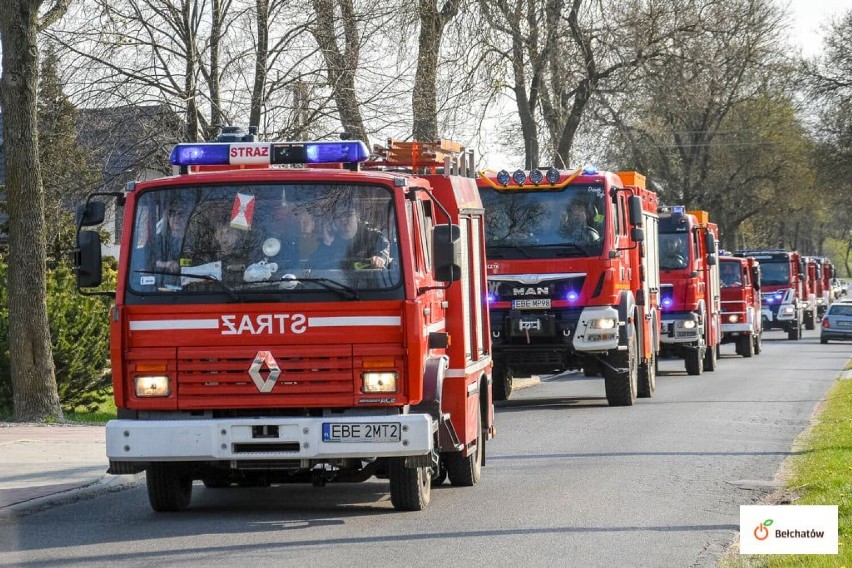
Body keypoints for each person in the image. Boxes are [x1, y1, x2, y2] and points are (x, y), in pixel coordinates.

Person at [310, 206, 390, 269]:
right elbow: (314, 264)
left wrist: (380, 258)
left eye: (348, 214)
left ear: (357, 216)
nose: (343, 219)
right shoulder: (331, 241)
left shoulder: (372, 236)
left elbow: (384, 247)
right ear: (334, 221)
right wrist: (326, 244)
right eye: (338, 216)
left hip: (368, 287)